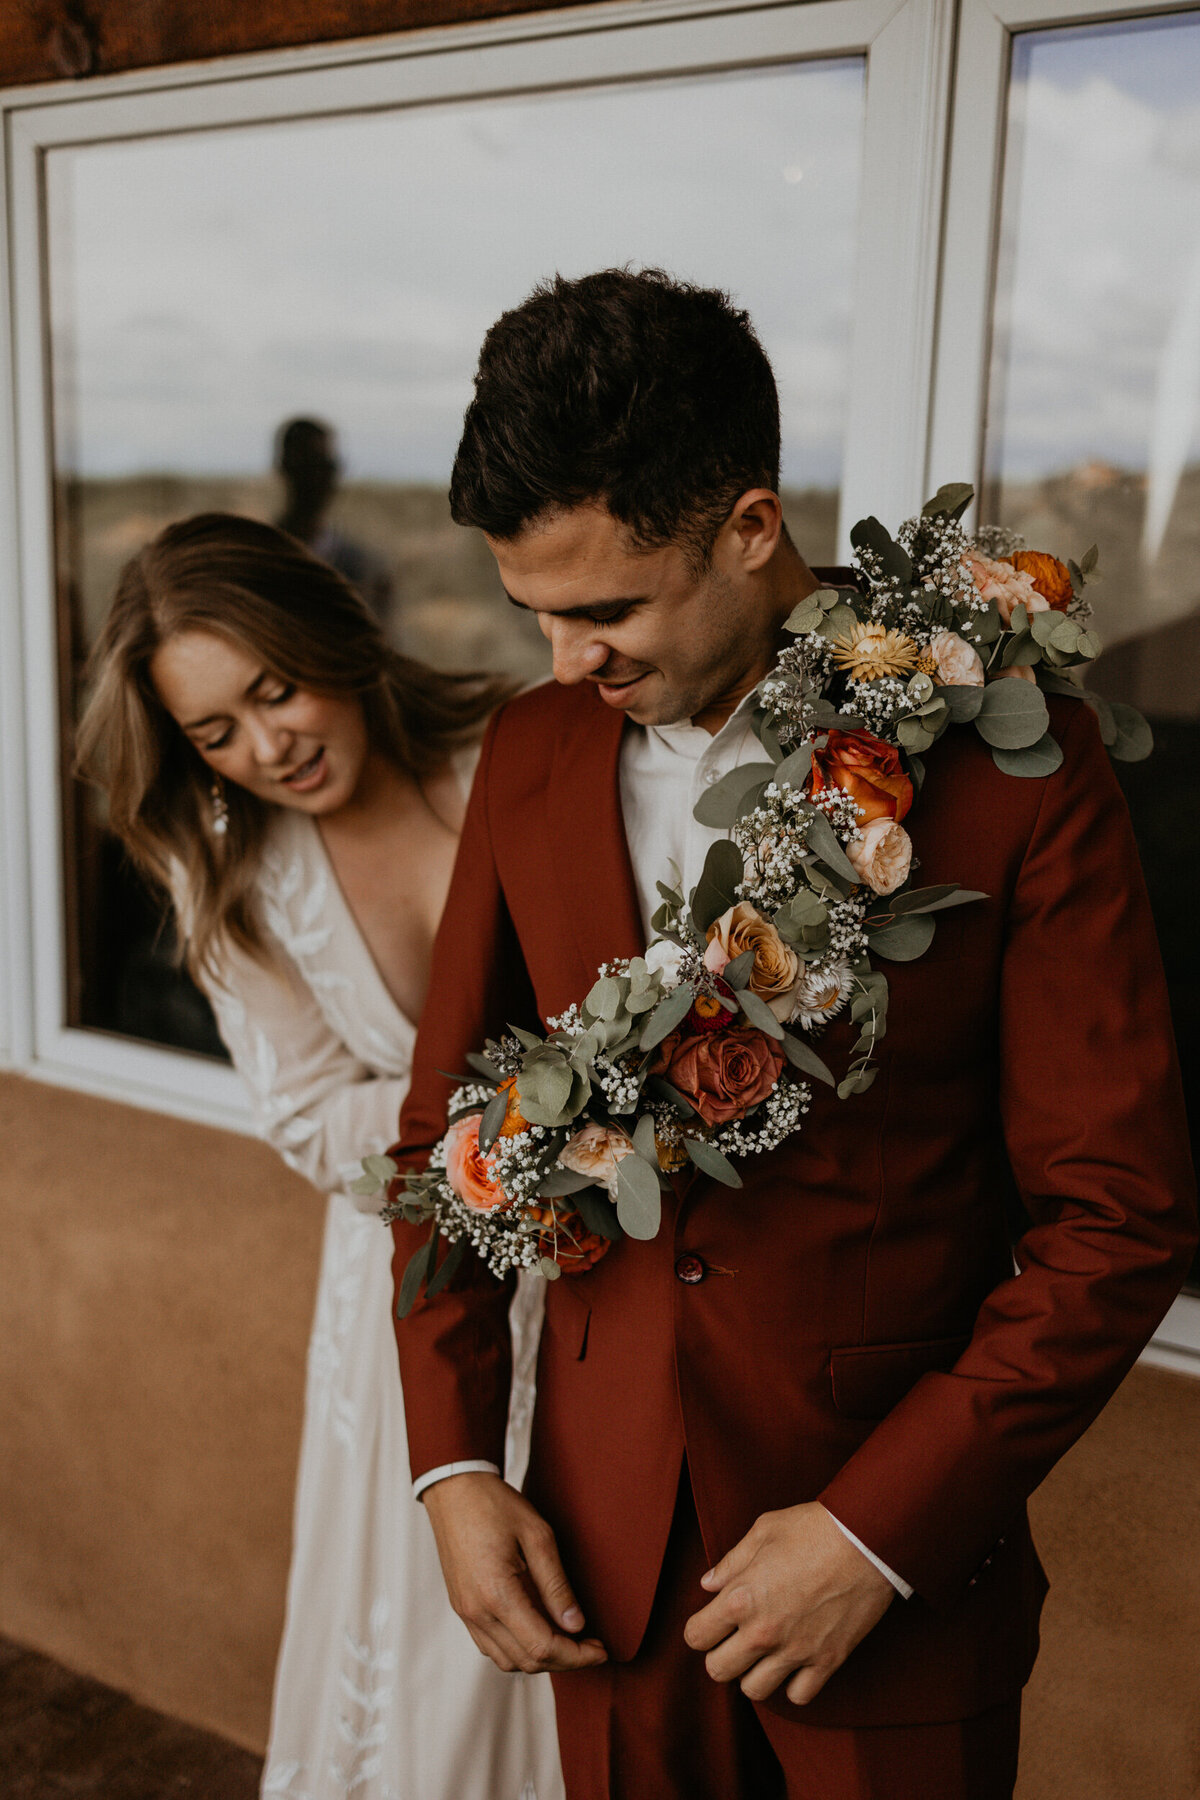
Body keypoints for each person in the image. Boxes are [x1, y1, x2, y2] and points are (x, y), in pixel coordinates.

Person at [386, 269, 1197, 1800]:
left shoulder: (1017, 771)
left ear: (751, 529)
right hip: (599, 1569)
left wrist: (878, 1530)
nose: (566, 660)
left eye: (607, 607)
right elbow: (446, 1145)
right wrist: (452, 1465)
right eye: (534, 614)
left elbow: (1120, 1222)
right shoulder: (530, 751)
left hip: (886, 1576)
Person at [76, 513, 564, 1800]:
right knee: (441, 1655)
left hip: (607, 1259)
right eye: (214, 732)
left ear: (332, 637)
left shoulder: (514, 744)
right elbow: (307, 1119)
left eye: (273, 690)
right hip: (417, 1283)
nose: (267, 746)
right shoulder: (224, 863)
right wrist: (526, 1110)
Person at [275, 416, 393, 622]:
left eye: (326, 466)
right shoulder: (259, 555)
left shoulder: (362, 568)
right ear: (287, 467)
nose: (317, 479)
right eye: (308, 465)